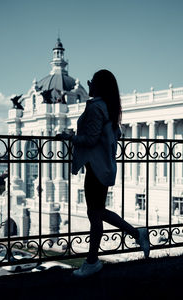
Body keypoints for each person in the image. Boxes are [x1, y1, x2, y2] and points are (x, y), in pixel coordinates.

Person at [59, 69, 150, 278]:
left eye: (91, 81)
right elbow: (110, 135)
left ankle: (93, 261)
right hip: (104, 167)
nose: (88, 84)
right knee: (97, 213)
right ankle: (133, 236)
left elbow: (90, 139)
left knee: (95, 214)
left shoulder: (95, 107)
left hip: (95, 168)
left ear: (97, 86)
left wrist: (70, 138)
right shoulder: (109, 108)